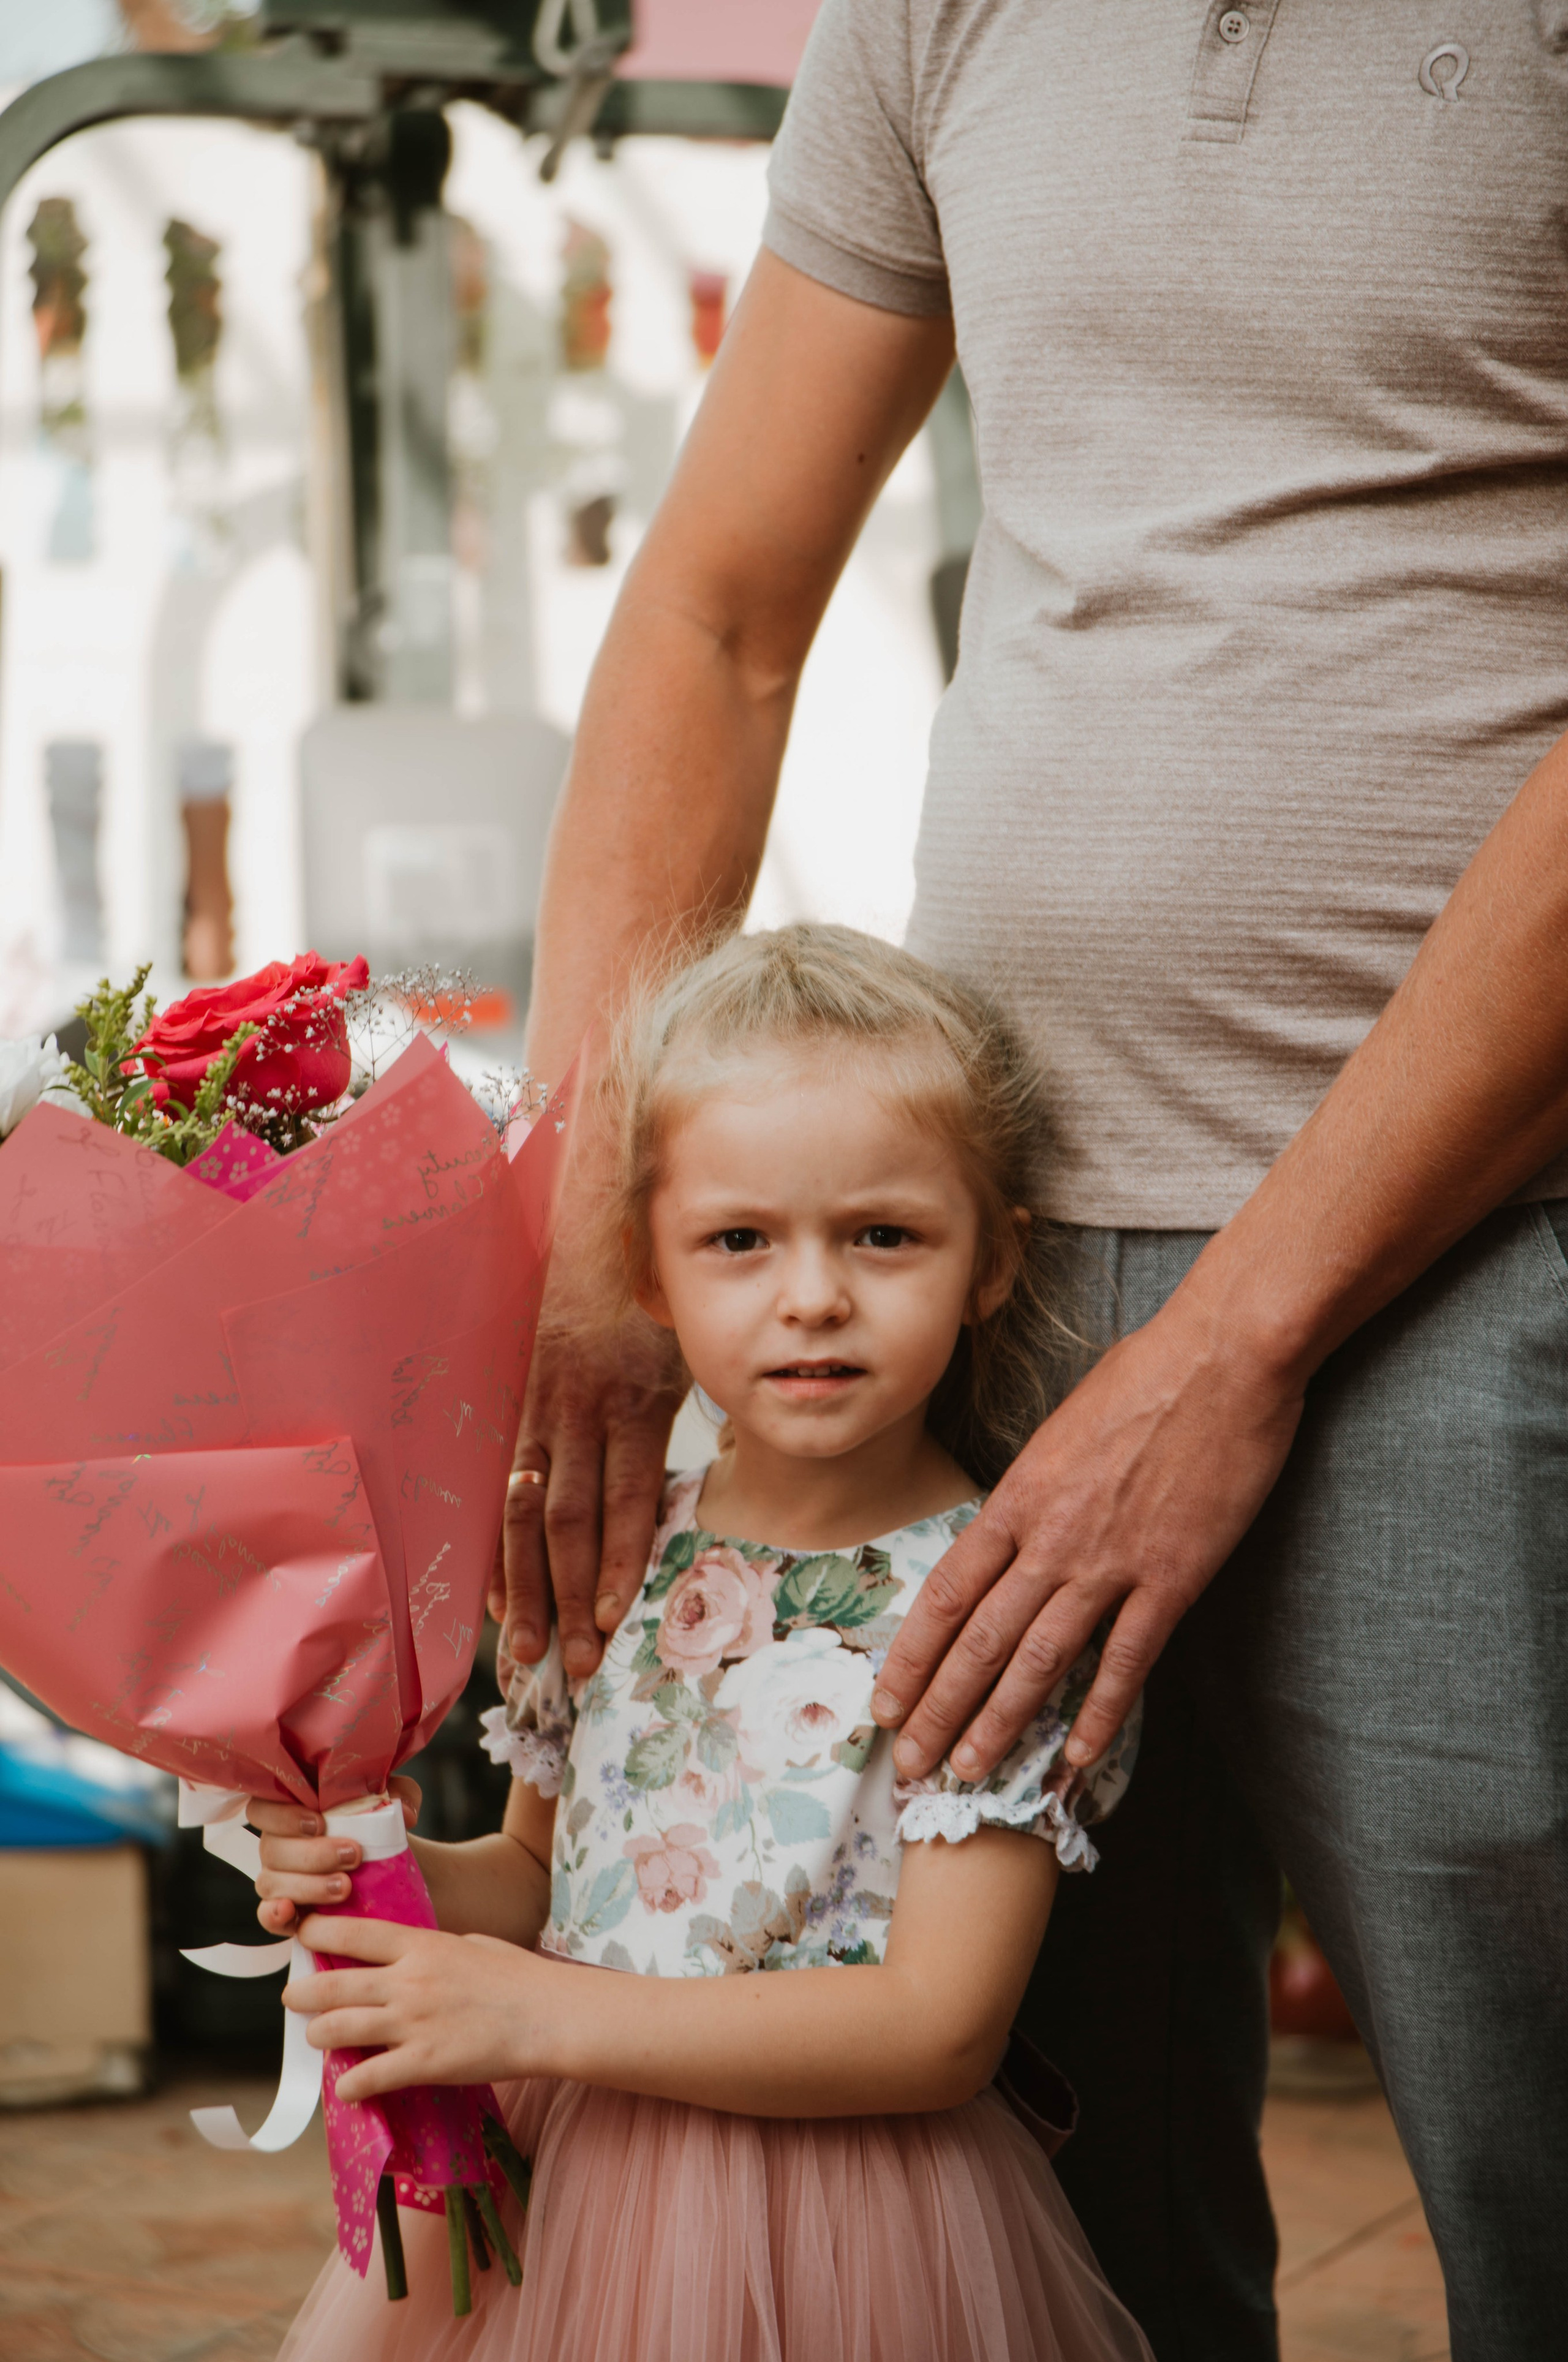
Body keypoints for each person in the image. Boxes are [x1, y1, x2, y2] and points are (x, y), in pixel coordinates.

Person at [491, 9, 1568, 2358]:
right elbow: (720, 607)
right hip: (1005, 1269)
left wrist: (1246, 1333)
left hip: (1497, 1249)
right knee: (1086, 2182)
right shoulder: (939, 8)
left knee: (1536, 2144)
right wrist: (588, 1242)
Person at [254, 927, 1152, 2362]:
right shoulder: (608, 1554)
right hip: (579, 2195)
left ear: (993, 1261)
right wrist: (391, 1878)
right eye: (739, 1239)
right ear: (649, 1274)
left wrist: (532, 2010)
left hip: (857, 2228)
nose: (811, 1296)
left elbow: (937, 2027)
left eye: (884, 1233)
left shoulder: (997, 1602)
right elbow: (543, 1879)